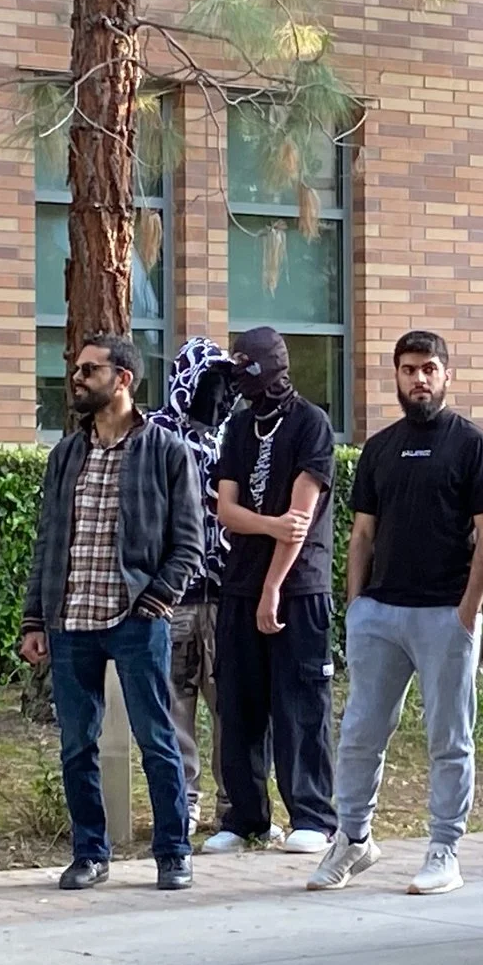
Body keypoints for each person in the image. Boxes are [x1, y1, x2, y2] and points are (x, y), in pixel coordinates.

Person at [307, 331, 483, 897]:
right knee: (359, 734)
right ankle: (353, 838)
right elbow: (362, 534)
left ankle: (444, 848)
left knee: (449, 738)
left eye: (429, 369)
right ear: (395, 376)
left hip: (445, 615)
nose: (419, 379)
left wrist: (468, 611)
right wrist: (357, 606)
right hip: (380, 616)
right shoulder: (380, 447)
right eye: (409, 369)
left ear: (446, 375)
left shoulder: (472, 444)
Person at [9, 333, 200, 891]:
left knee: (156, 739)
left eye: (90, 369)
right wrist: (34, 620)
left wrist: (156, 601)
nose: (77, 377)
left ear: (123, 379)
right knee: (76, 744)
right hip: (71, 622)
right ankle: (90, 853)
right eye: (76, 368)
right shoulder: (66, 455)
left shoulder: (166, 451)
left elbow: (189, 544)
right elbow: (48, 544)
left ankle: (172, 853)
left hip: (135, 621)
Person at [207, 326, 336, 854]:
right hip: (240, 584)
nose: (239, 380)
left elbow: (299, 521)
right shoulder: (239, 427)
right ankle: (246, 819)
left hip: (298, 588)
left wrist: (273, 588)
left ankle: (313, 816)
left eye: (245, 368)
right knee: (238, 703)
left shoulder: (312, 424)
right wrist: (268, 525)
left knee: (300, 702)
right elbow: (227, 510)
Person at [148, 336, 239, 840]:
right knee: (175, 704)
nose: (222, 398)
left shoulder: (231, 440)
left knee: (230, 702)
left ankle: (235, 805)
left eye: (228, 388)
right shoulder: (156, 436)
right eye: (212, 385)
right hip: (174, 597)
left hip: (225, 594)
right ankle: (182, 803)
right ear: (187, 383)